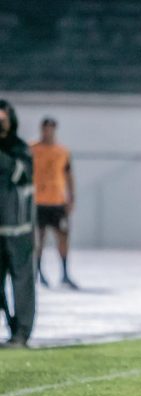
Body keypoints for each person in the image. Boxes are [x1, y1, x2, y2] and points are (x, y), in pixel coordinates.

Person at [0, 99, 35, 349]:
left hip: (18, 228)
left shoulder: (20, 148)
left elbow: (18, 173)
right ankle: (12, 325)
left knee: (22, 282)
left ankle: (21, 332)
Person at [30, 117, 78, 289]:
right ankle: (38, 272)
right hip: (38, 200)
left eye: (50, 129)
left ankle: (64, 273)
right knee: (38, 238)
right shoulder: (32, 149)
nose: (47, 132)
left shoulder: (62, 151)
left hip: (57, 201)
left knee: (63, 236)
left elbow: (69, 175)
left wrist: (71, 197)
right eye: (45, 129)